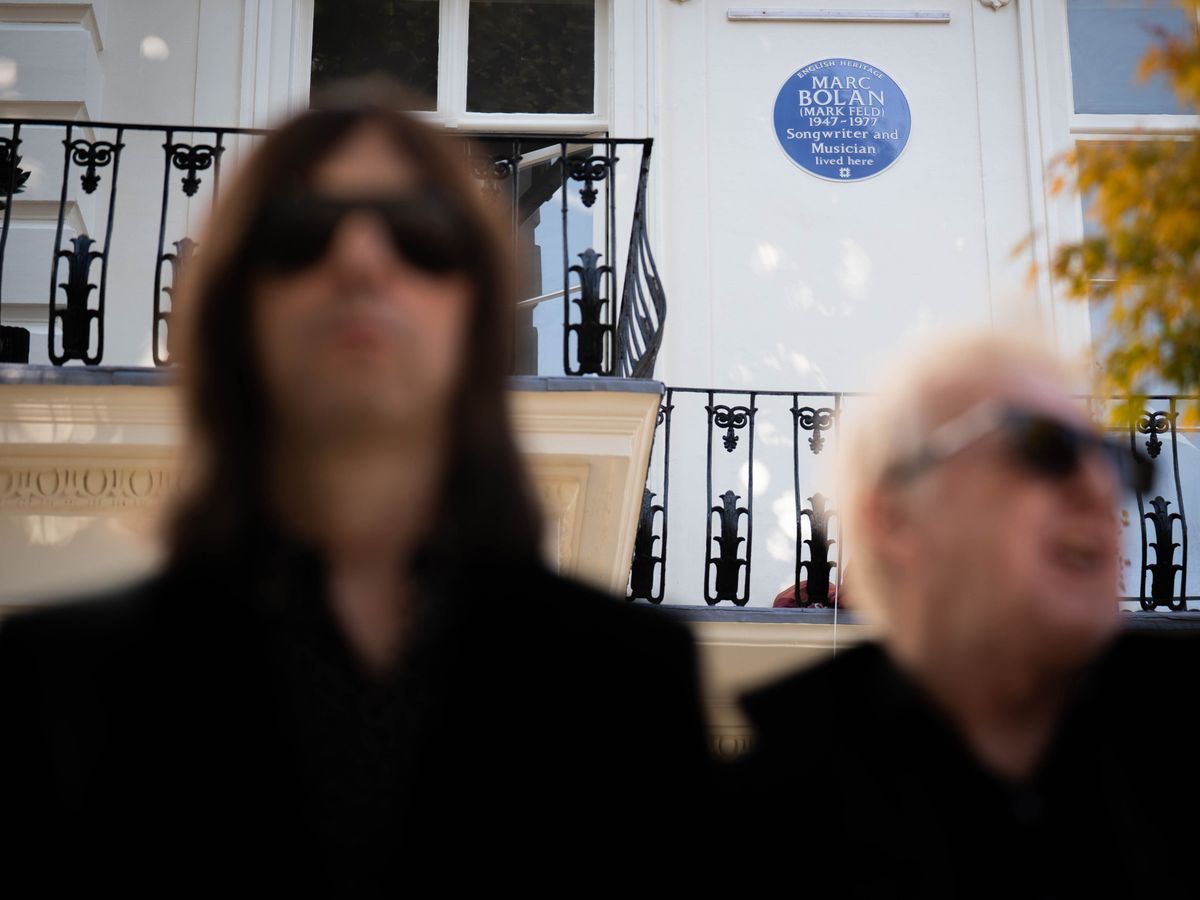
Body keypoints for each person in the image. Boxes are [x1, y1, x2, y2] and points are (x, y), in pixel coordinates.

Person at [0, 80, 711, 894]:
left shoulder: (628, 690)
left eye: (420, 233)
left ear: (479, 314)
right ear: (236, 307)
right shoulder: (63, 685)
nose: (362, 260)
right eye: (303, 231)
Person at [727, 330, 1200, 897]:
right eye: (1043, 447)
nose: (1100, 489)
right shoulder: (767, 835)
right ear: (896, 515)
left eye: (1116, 462)